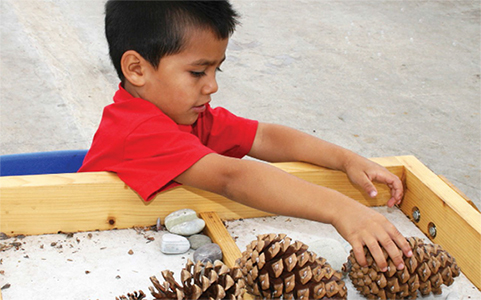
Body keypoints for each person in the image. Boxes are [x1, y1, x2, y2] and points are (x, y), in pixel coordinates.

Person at [79, 0, 412, 272]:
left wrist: (346, 160)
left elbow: (265, 137)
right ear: (136, 69)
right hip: (89, 240)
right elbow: (232, 177)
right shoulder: (138, 130)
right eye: (197, 72)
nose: (212, 86)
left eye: (215, 70)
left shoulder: (190, 116)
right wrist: (344, 210)